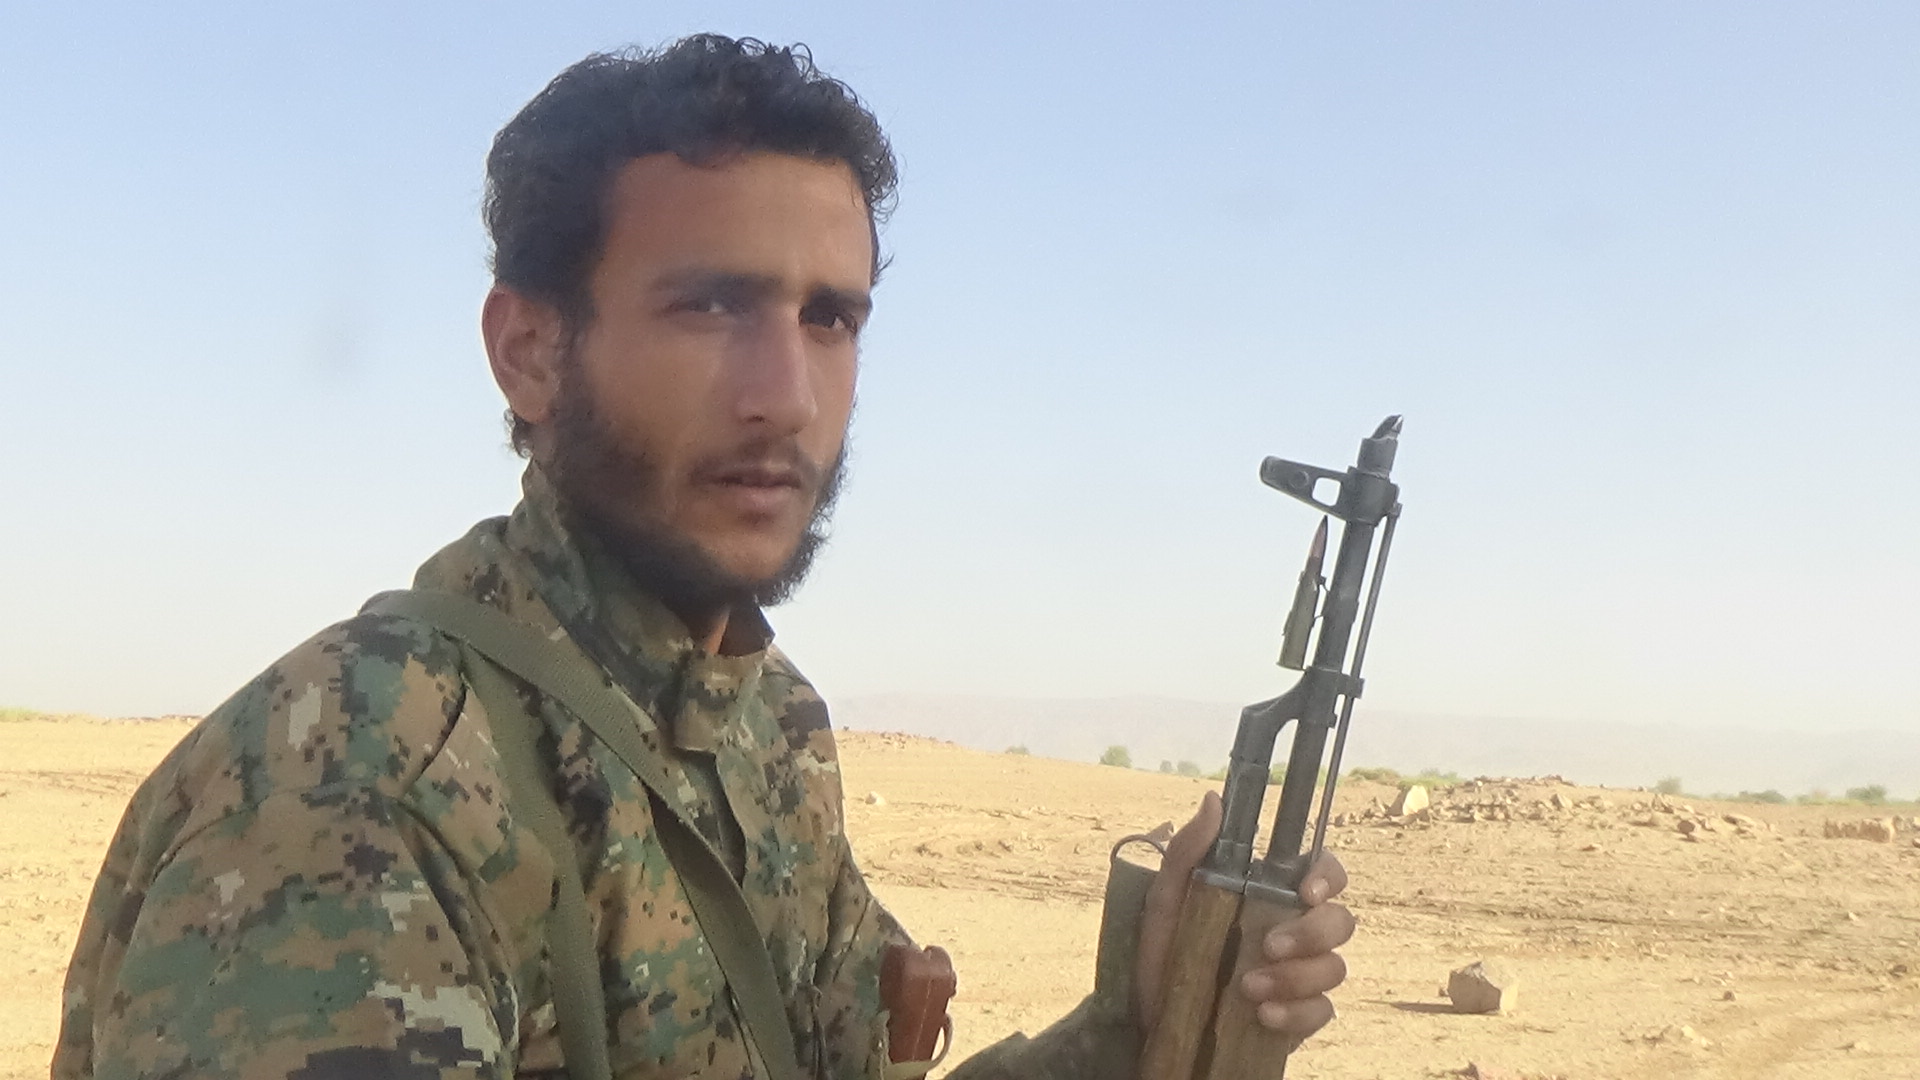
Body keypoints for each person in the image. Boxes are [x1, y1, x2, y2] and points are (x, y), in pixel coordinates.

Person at [54, 34, 1354, 1080]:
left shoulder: (768, 729)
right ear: (530, 352)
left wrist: (1142, 1021)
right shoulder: (360, 783)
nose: (785, 395)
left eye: (829, 318)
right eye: (712, 304)